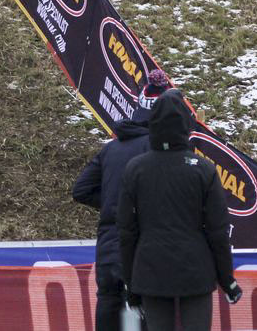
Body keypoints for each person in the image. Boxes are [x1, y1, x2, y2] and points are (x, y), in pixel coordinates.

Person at [118, 89, 241, 331]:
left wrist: (131, 285)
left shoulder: (135, 169)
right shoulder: (203, 169)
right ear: (186, 126)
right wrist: (227, 281)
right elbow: (218, 231)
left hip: (151, 271)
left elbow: (126, 232)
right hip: (195, 270)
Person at [73, 69, 173, 331]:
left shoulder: (111, 149)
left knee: (108, 311)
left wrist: (112, 204)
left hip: (108, 250)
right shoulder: (159, 149)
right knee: (143, 318)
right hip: (143, 250)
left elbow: (81, 190)